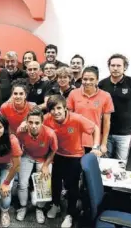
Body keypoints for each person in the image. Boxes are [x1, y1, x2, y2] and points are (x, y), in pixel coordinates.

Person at [44, 95, 100, 228]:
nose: (56, 112)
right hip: (57, 154)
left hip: (75, 156)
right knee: (55, 182)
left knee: (72, 186)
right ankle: (56, 205)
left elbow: (95, 128)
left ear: (65, 108)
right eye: (52, 109)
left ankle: (70, 214)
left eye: (59, 108)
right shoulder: (47, 119)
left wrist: (96, 146)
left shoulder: (76, 119)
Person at [98, 53, 131, 160]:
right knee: (104, 163)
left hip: (125, 135)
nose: (115, 68)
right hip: (106, 133)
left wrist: (130, 120)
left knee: (122, 164)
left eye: (118, 65)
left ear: (125, 67)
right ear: (109, 67)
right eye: (113, 65)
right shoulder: (102, 84)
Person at [16, 109, 58, 224]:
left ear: (42, 122)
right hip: (27, 156)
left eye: (37, 123)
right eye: (30, 122)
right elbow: (17, 145)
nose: (33, 126)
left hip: (44, 158)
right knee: (22, 183)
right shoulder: (21, 131)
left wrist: (45, 165)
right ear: (27, 122)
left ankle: (39, 209)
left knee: (44, 183)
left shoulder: (50, 134)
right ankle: (23, 207)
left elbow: (53, 151)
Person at [67, 66, 114, 155]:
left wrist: (103, 144)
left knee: (89, 168)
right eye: (85, 79)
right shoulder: (73, 93)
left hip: (94, 142)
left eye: (91, 79)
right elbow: (68, 118)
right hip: (75, 141)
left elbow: (106, 122)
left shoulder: (105, 96)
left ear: (97, 80)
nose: (88, 82)